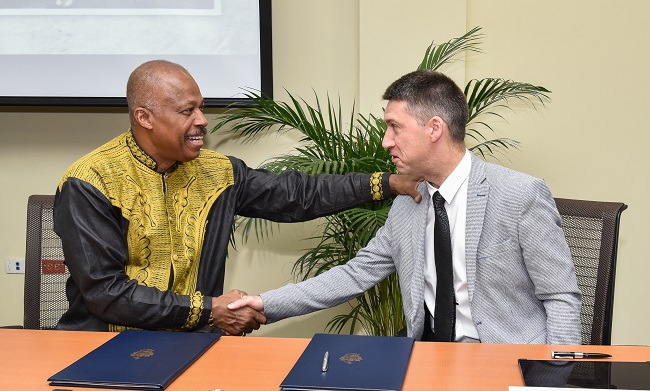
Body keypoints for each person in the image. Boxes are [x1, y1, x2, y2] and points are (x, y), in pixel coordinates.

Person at [53, 59, 421, 335]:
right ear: (145, 117)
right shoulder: (91, 181)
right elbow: (106, 293)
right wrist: (211, 309)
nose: (202, 120)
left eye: (200, 107)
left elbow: (297, 194)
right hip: (101, 348)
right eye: (187, 111)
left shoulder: (218, 172)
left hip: (193, 344)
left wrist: (387, 183)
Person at [228, 70, 582, 344]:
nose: (385, 142)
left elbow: (560, 297)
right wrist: (264, 303)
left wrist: (548, 386)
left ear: (434, 129)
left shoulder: (520, 194)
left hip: (506, 362)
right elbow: (355, 273)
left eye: (394, 128)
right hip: (427, 360)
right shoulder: (409, 204)